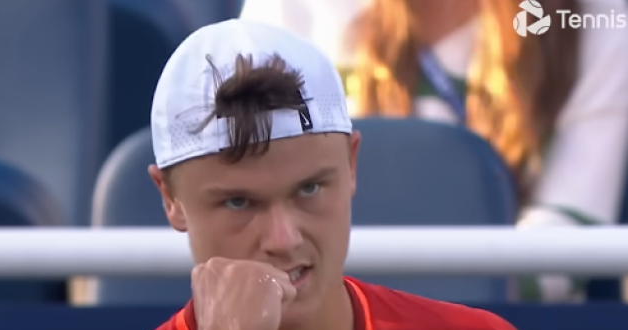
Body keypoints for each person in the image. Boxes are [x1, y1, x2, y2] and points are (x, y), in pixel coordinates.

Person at [44, 19, 552, 330]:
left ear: (351, 165)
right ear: (170, 199)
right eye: (238, 202)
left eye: (309, 189)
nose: (283, 239)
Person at [240, 0, 628, 302]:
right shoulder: (290, 11)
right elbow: (244, 194)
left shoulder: (594, 19)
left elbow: (571, 230)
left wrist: (439, 306)